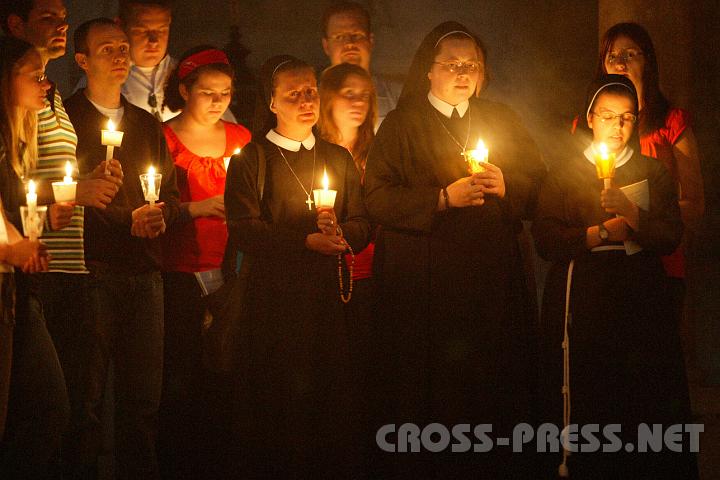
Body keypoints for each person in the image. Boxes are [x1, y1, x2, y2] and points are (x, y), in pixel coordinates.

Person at [363, 21, 545, 478]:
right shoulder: (401, 124)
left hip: (492, 282)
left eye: (472, 65)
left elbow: (541, 186)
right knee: (437, 389)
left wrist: (508, 185)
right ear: (428, 69)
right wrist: (441, 199)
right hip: (429, 287)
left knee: (494, 384)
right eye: (452, 64)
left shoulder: (501, 118)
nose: (463, 73)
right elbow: (376, 198)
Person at [533, 74, 697, 479]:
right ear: (591, 118)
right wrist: (599, 232)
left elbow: (670, 234)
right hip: (582, 296)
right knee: (589, 397)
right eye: (608, 116)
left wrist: (632, 213)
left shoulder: (653, 172)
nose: (618, 126)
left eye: (626, 117)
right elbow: (546, 238)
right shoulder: (565, 172)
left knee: (641, 397)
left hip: (639, 297)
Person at [225, 55, 369, 478]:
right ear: (272, 102)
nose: (306, 100)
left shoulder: (337, 157)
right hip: (272, 307)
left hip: (328, 304)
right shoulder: (252, 159)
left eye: (311, 92)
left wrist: (343, 234)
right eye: (294, 94)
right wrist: (305, 240)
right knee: (278, 409)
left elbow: (362, 222)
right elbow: (244, 231)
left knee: (328, 405)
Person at [1, 2, 123, 475]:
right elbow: (16, 188)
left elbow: (37, 183)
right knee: (42, 408)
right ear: (16, 25)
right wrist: (54, 205)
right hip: (26, 273)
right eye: (49, 17)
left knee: (66, 404)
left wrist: (77, 191)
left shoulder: (47, 101)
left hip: (59, 260)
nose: (62, 26)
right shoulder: (15, 115)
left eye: (64, 18)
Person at [64, 18, 180, 478]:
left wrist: (161, 215)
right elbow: (70, 192)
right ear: (82, 60)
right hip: (92, 269)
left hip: (145, 274)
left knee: (143, 400)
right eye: (106, 48)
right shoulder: (68, 119)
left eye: (121, 46)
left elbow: (168, 192)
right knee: (85, 397)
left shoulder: (144, 123)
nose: (119, 54)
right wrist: (122, 220)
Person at [158, 45, 250, 478]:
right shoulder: (163, 138)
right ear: (184, 90)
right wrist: (199, 206)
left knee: (227, 370)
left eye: (226, 93)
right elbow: (157, 203)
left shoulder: (242, 140)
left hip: (230, 268)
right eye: (207, 92)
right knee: (180, 372)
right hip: (179, 268)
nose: (217, 102)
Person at [0, 35, 66, 478]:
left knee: (46, 406)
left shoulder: (16, 140)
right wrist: (10, 248)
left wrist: (40, 219)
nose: (46, 85)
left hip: (17, 289)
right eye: (35, 75)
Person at [317, 61, 377, 469]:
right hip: (325, 277)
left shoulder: (379, 151)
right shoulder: (315, 152)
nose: (358, 102)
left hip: (372, 275)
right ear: (327, 100)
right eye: (348, 93)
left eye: (365, 95)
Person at [320, 1, 401, 127]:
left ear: (371, 41)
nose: (349, 44)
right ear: (326, 46)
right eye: (339, 37)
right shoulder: (311, 104)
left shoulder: (399, 100)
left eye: (357, 35)